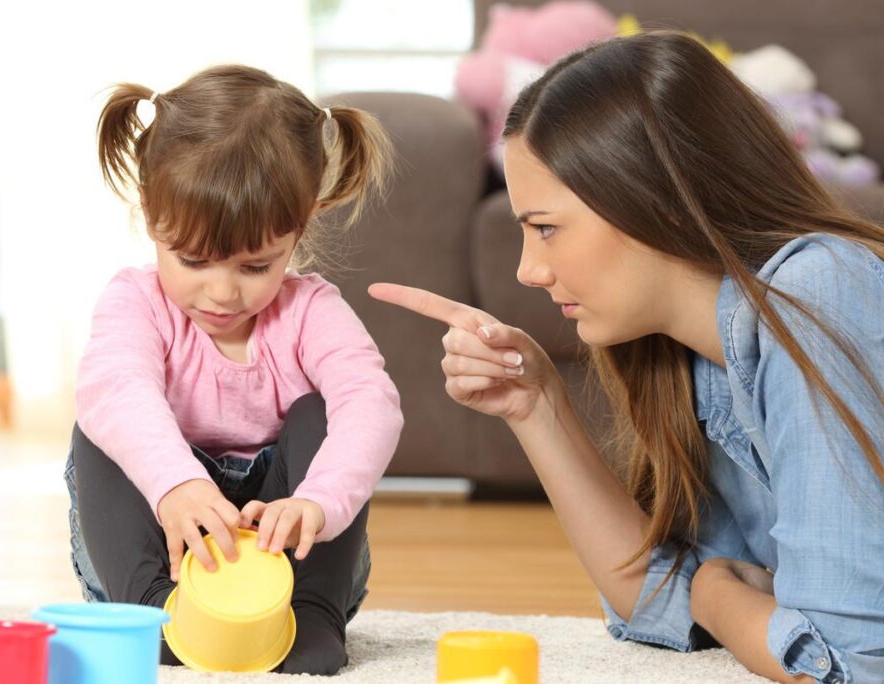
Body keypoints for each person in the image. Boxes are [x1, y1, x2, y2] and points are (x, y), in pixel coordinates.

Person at [370, 32, 884, 684]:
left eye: (546, 227)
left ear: (660, 201)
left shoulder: (817, 293)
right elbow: (657, 602)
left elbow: (842, 660)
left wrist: (715, 595)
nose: (528, 270)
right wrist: (536, 406)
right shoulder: (697, 360)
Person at [65, 64, 403, 675]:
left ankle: (313, 616)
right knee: (104, 419)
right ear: (150, 213)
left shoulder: (311, 310)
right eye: (194, 260)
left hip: (287, 575)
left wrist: (320, 502)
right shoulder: (135, 302)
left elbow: (370, 404)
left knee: (322, 412)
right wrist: (176, 484)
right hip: (164, 558)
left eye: (254, 267)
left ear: (300, 227)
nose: (222, 293)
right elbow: (117, 388)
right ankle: (151, 614)